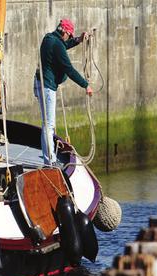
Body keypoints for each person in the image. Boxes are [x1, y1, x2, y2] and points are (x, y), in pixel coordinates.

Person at [34, 18, 93, 166]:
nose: (70, 37)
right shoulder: (56, 44)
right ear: (65, 32)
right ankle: (50, 161)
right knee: (49, 126)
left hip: (40, 83)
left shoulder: (49, 38)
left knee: (47, 124)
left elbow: (62, 46)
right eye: (70, 35)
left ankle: (49, 157)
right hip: (47, 87)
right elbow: (69, 69)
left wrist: (78, 40)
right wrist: (85, 85)